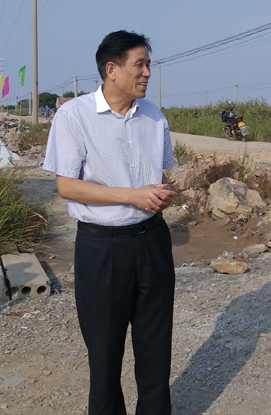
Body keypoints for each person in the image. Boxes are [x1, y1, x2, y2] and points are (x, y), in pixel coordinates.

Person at [43, 30, 176, 415]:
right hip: (103, 247)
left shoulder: (154, 116)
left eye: (149, 65)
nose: (147, 73)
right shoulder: (74, 115)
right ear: (111, 69)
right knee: (104, 355)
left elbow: (160, 175)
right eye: (140, 64)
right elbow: (67, 186)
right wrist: (132, 195)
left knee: (155, 349)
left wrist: (163, 191)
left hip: (152, 240)